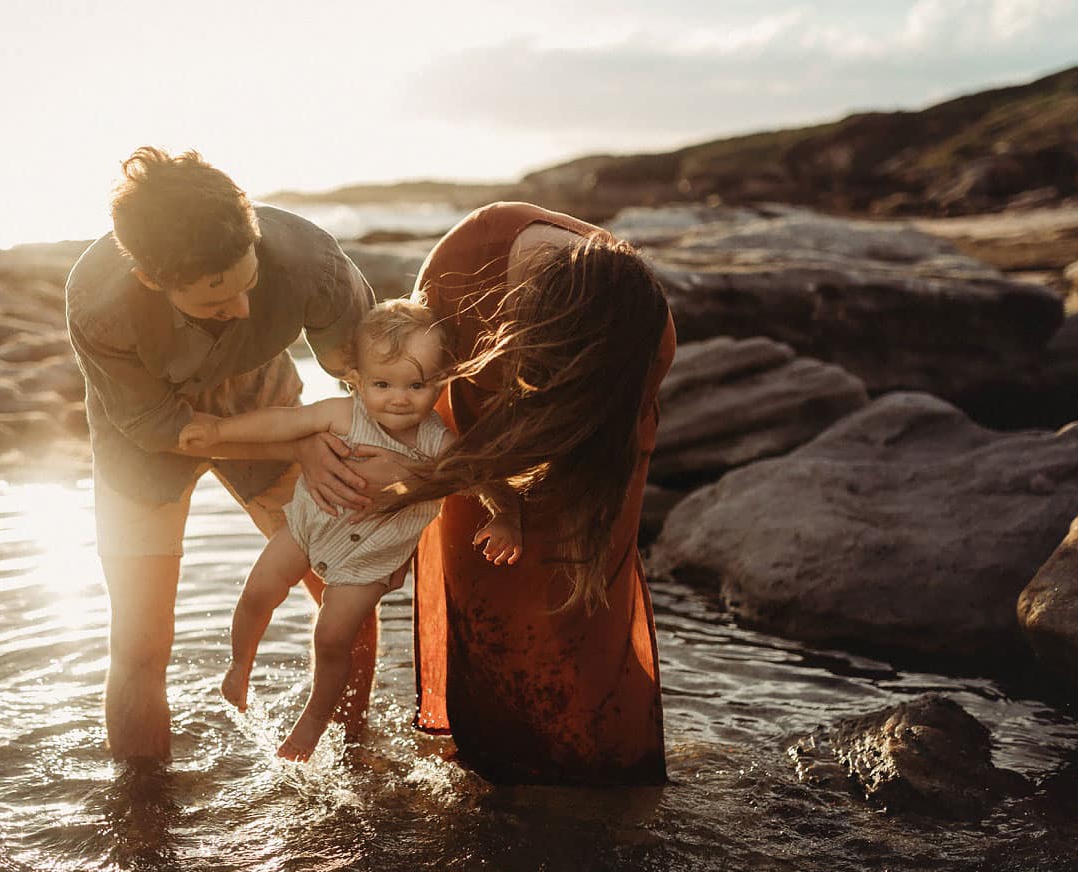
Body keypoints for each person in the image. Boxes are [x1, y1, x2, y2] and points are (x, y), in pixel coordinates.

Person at [65, 144, 378, 765]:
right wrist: (297, 439)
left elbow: (374, 379)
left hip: (266, 395)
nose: (239, 309)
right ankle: (143, 811)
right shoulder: (99, 305)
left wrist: (342, 449)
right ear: (152, 278)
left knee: (345, 590)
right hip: (143, 441)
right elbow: (158, 426)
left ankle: (351, 756)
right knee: (140, 641)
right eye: (214, 301)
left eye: (249, 285)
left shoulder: (312, 261)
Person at [406, 201, 677, 785]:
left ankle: (597, 758)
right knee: (483, 569)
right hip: (483, 403)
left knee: (584, 585)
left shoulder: (647, 335)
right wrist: (498, 501)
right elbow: (411, 404)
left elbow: (614, 454)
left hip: (602, 431)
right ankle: (489, 753)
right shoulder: (459, 272)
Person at [178, 297, 454, 761]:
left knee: (331, 639)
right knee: (258, 590)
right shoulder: (343, 414)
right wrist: (219, 432)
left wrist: (504, 517)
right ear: (357, 380)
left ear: (439, 382)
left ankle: (311, 723)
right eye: (382, 384)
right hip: (307, 528)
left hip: (366, 565)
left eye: (416, 385)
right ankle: (240, 664)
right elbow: (283, 421)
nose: (399, 398)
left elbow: (477, 477)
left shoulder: (439, 444)